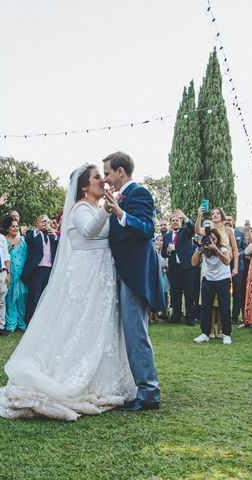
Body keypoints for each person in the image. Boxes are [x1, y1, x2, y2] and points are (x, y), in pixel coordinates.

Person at [0, 164, 136, 421]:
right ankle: (72, 373)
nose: (103, 181)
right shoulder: (79, 209)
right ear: (85, 186)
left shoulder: (96, 208)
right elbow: (89, 231)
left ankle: (105, 373)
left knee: (99, 324)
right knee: (83, 323)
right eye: (97, 177)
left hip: (102, 274)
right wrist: (107, 211)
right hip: (87, 275)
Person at [102, 151, 164, 411]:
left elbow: (147, 229)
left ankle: (149, 393)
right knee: (131, 332)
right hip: (124, 271)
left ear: (120, 172)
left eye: (107, 173)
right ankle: (141, 387)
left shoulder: (139, 193)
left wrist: (119, 213)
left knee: (136, 332)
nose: (106, 179)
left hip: (136, 273)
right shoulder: (119, 197)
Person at [192, 229, 233, 345]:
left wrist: (216, 250)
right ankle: (205, 333)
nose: (211, 241)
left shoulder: (223, 248)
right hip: (208, 279)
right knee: (205, 307)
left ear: (218, 239)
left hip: (223, 279)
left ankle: (226, 334)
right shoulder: (204, 249)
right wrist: (199, 250)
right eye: (209, 239)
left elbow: (227, 261)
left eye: (213, 239)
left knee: (224, 307)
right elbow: (193, 263)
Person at [162, 209, 199, 325]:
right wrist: (167, 252)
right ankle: (176, 316)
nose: (174, 222)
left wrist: (185, 217)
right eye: (172, 221)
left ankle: (190, 318)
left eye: (177, 220)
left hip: (187, 267)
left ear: (181, 221)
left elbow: (193, 228)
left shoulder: (186, 231)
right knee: (175, 293)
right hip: (174, 268)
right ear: (170, 223)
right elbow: (163, 253)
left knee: (189, 293)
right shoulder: (167, 236)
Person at [22, 214, 58, 323]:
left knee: (46, 296)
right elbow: (28, 240)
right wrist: (37, 229)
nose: (45, 223)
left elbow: (58, 250)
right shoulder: (32, 233)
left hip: (49, 269)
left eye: (47, 221)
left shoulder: (53, 236)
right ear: (37, 223)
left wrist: (55, 236)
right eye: (42, 221)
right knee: (34, 296)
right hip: (37, 269)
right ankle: (30, 321)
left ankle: (43, 321)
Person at [3, 215, 28, 332]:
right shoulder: (4, 240)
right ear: (8, 228)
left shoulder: (23, 240)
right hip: (10, 273)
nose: (16, 228)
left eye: (17, 226)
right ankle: (11, 324)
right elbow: (2, 256)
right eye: (13, 226)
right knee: (10, 299)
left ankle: (21, 323)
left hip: (22, 274)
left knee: (22, 299)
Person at [225, 215, 248, 323]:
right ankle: (223, 315)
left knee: (237, 291)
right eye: (225, 220)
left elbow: (246, 249)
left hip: (238, 266)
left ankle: (235, 316)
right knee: (224, 291)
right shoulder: (220, 233)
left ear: (233, 221)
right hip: (224, 265)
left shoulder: (240, 234)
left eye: (229, 220)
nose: (227, 221)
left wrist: (239, 254)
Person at [153, 235, 170, 322]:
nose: (159, 242)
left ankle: (162, 313)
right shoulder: (153, 252)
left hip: (163, 276)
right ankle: (153, 315)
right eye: (158, 240)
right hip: (155, 275)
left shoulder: (165, 253)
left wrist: (166, 267)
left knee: (164, 294)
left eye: (161, 240)